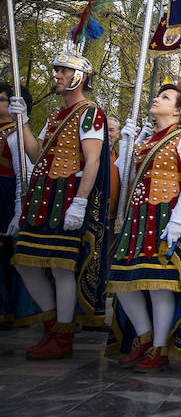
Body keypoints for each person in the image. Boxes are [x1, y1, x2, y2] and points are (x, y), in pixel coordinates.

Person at [7, 52, 110, 359]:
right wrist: (22, 122)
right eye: (57, 71)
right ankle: (52, 323)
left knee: (62, 267)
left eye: (64, 71)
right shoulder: (54, 115)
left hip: (66, 194)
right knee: (25, 260)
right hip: (43, 194)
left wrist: (79, 202)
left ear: (80, 77)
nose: (57, 76)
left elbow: (92, 161)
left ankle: (62, 334)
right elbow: (37, 155)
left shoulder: (91, 112)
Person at [106, 85, 181, 371]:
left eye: (165, 97)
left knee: (159, 285)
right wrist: (127, 145)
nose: (156, 98)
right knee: (125, 281)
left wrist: (178, 221)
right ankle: (143, 335)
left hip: (165, 217)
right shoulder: (147, 140)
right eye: (158, 95)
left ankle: (160, 346)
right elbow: (129, 178)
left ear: (179, 110)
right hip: (138, 218)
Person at [0, 84, 40, 327]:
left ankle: (11, 309)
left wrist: (19, 210)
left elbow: (23, 175)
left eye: (3, 99)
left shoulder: (17, 136)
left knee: (7, 257)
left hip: (5, 199)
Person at [107, 115, 121, 221]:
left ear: (117, 134)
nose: (107, 133)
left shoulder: (120, 159)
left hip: (112, 219)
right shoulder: (90, 157)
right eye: (104, 129)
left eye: (111, 130)